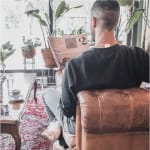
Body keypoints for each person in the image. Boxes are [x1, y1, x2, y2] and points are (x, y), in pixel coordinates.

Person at [42, 0, 149, 148]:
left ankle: (61, 136)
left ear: (93, 21)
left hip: (82, 127)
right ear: (116, 22)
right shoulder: (138, 57)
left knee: (48, 93)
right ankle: (57, 127)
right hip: (126, 124)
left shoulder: (74, 66)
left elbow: (67, 111)